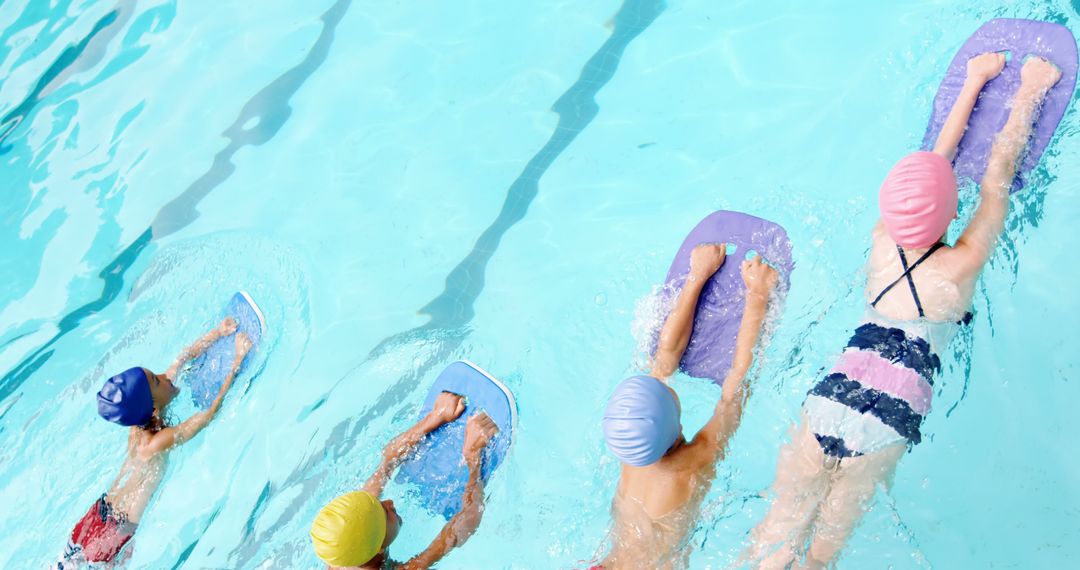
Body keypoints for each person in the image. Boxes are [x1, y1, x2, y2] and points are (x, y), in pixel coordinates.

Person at [745, 53, 1063, 569]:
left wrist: (973, 81)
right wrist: (1029, 90)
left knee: (772, 535)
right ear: (951, 213)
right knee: (820, 557)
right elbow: (996, 181)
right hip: (885, 423)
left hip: (831, 398)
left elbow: (936, 155)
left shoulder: (881, 241)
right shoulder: (960, 266)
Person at [594, 245, 779, 569]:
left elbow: (662, 363)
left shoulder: (632, 447)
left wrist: (697, 278)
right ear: (674, 420)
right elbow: (734, 392)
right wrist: (758, 298)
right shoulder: (689, 469)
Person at [55, 318, 252, 569]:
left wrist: (217, 333)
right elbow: (208, 415)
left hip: (99, 513)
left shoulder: (141, 418)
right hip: (116, 532)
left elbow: (180, 360)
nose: (164, 376)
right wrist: (236, 362)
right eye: (157, 381)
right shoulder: (156, 443)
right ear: (153, 408)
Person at [310, 395, 499, 569]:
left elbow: (387, 462)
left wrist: (435, 417)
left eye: (378, 503)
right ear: (379, 549)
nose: (389, 502)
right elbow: (462, 527)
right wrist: (473, 457)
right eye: (384, 512)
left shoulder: (339, 548)